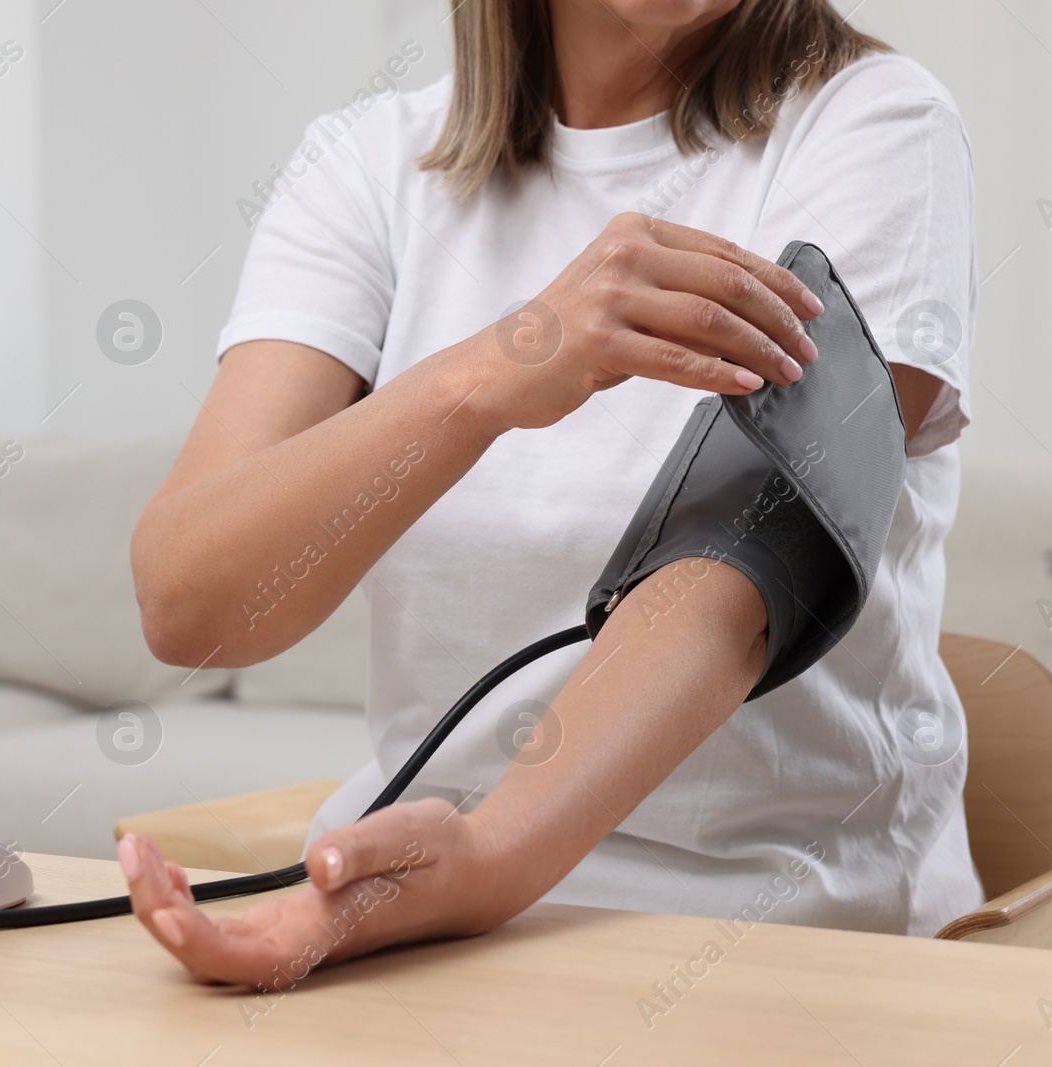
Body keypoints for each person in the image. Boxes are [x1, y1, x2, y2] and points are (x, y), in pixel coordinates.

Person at [122, 0, 982, 986]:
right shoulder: (365, 166)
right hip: (405, 914)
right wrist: (484, 377)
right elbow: (192, 605)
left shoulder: (875, 125)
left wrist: (491, 861)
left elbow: (753, 552)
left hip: (771, 934)